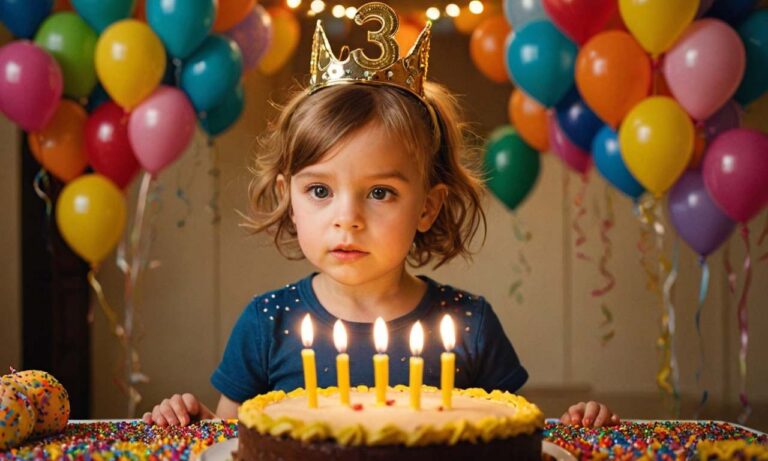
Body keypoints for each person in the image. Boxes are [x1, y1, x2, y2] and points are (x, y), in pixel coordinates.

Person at [143, 3, 618, 429]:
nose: (346, 218)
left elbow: (513, 438)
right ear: (290, 198)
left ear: (428, 206)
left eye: (380, 192)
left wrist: (576, 424)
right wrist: (192, 422)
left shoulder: (469, 326)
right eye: (320, 190)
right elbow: (232, 442)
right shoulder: (267, 323)